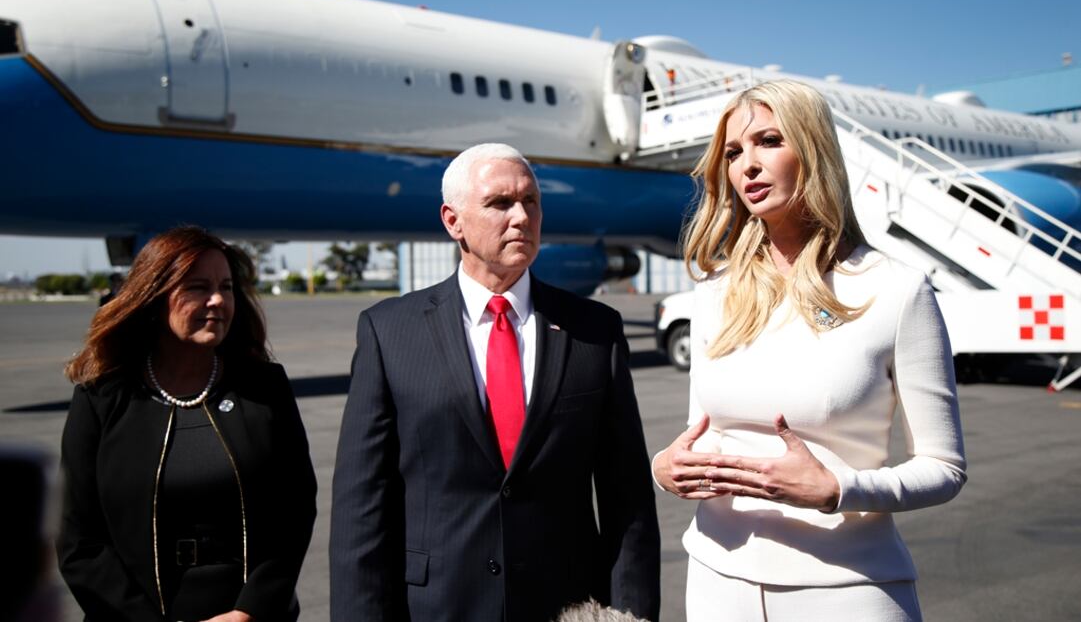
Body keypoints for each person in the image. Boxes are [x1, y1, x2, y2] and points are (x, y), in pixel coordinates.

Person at [652, 80, 967, 621]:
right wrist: (665, 466)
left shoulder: (896, 289)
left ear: (814, 150)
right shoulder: (713, 293)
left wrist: (836, 489)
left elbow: (944, 468)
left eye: (769, 141)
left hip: (846, 586)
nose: (747, 165)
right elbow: (702, 435)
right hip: (714, 580)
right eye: (733, 152)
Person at [329, 143, 660, 622]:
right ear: (453, 221)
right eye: (500, 203)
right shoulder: (389, 331)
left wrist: (630, 615)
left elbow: (625, 497)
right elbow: (361, 504)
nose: (521, 217)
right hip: (436, 607)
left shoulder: (595, 330)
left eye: (531, 202)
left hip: (567, 607)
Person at [58, 226, 317, 622]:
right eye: (198, 287)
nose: (217, 300)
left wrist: (251, 611)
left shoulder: (264, 388)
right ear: (153, 296)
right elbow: (80, 541)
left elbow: (295, 510)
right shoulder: (102, 399)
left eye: (226, 287)